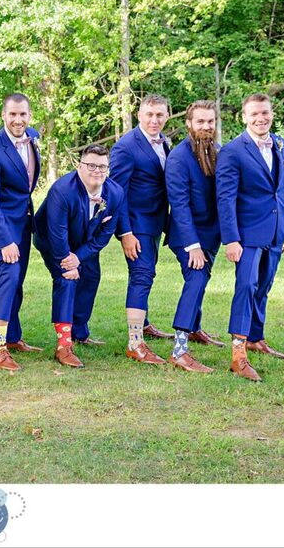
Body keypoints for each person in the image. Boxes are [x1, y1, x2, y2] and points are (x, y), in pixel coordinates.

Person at [216, 93, 284, 382]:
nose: (261, 119)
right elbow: (225, 199)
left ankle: (255, 337)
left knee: (264, 285)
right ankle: (238, 353)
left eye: (265, 113)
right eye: (254, 114)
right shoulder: (233, 151)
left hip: (276, 230)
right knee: (246, 286)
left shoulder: (281, 144)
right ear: (244, 117)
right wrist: (231, 239)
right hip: (247, 234)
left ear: (271, 113)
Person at [34, 144, 124, 368]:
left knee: (91, 276)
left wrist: (80, 257)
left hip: (85, 242)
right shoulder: (62, 190)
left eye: (102, 166)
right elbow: (57, 234)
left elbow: (105, 234)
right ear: (79, 166)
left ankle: (79, 332)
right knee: (67, 280)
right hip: (52, 240)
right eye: (91, 165)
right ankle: (63, 346)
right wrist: (68, 262)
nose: (97, 171)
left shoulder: (115, 193)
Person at [0, 93, 43, 372]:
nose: (18, 120)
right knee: (9, 276)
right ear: (3, 116)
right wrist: (5, 240)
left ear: (29, 116)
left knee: (18, 281)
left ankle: (14, 337)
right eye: (12, 115)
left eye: (23, 115)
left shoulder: (31, 139)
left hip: (23, 222)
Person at [109, 93, 174, 366]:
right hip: (135, 225)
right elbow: (115, 192)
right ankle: (135, 343)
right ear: (139, 115)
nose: (154, 120)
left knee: (147, 273)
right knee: (142, 274)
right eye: (149, 114)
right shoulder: (126, 147)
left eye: (160, 115)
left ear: (167, 116)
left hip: (155, 223)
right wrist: (125, 232)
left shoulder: (165, 143)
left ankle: (144, 324)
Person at [164, 100, 226, 374]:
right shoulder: (178, 158)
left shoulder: (218, 151)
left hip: (211, 233)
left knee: (202, 278)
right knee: (197, 277)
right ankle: (179, 349)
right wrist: (193, 246)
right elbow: (179, 204)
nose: (206, 126)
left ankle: (196, 328)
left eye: (210, 121)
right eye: (200, 121)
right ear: (189, 124)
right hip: (187, 235)